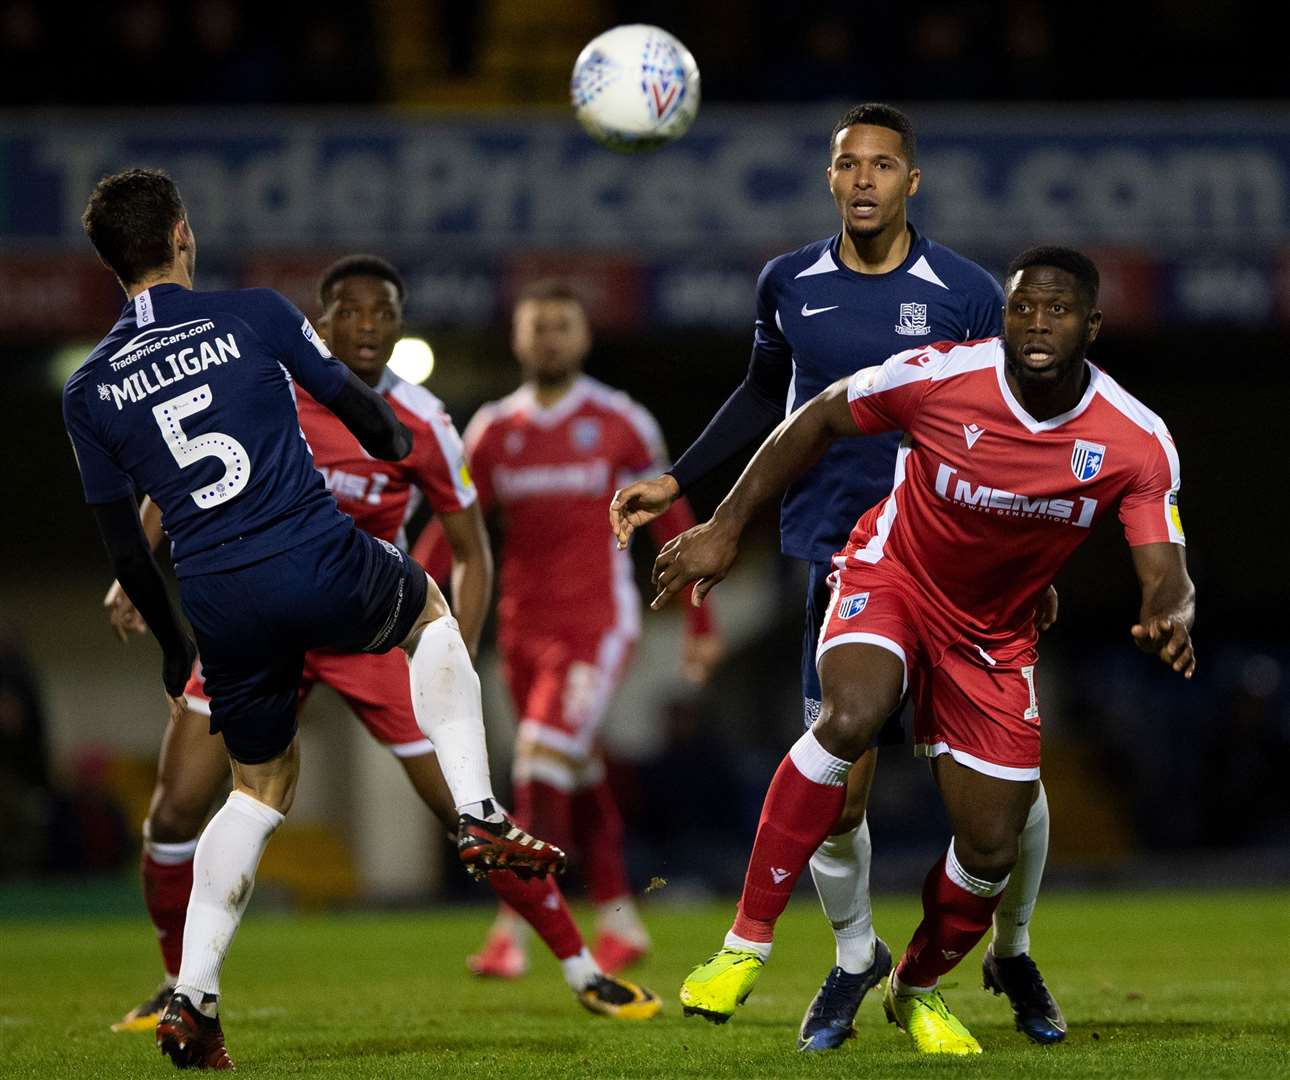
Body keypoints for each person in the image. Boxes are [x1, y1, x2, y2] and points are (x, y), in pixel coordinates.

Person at [63, 169, 565, 1071]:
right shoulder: (253, 312)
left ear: (108, 262)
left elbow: (127, 553)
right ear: (183, 234)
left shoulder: (88, 388)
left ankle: (196, 994)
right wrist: (390, 440)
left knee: (256, 790)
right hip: (312, 554)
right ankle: (481, 811)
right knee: (429, 609)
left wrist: (178, 650)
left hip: (218, 599)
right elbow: (363, 411)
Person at [650, 247, 1195, 1055]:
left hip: (994, 634)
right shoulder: (943, 374)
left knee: (988, 844)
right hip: (893, 573)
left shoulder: (1135, 438)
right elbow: (822, 411)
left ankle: (915, 986)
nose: (1036, 322)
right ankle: (746, 943)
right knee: (850, 717)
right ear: (1004, 315)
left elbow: (1166, 567)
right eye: (1022, 308)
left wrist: (1170, 611)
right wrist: (725, 526)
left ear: (1092, 325)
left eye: (1057, 309)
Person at [102, 255, 659, 1036]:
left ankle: (582, 967)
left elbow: (472, 549)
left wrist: (450, 655)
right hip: (264, 619)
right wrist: (136, 570)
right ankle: (176, 982)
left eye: (384, 313)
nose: (367, 327)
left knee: (469, 814)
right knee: (172, 811)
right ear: (319, 325)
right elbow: (176, 472)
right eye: (350, 313)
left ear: (400, 326)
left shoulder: (427, 421)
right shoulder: (275, 387)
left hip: (367, 630)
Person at [610, 102, 1063, 1049]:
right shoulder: (788, 282)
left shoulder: (969, 291)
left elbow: (1018, 424)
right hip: (836, 555)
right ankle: (857, 957)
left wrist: (1028, 548)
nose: (865, 179)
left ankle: (1010, 948)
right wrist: (679, 481)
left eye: (883, 165)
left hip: (961, 564)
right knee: (839, 782)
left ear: (912, 182)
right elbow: (761, 399)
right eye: (848, 164)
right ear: (829, 179)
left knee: (1003, 789)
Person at [430, 280, 722, 978]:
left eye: (563, 325)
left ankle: (515, 929)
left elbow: (670, 521)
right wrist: (412, 597)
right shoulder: (494, 430)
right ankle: (622, 923)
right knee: (577, 771)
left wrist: (699, 619)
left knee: (536, 760)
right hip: (520, 630)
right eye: (538, 326)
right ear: (518, 338)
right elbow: (457, 531)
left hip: (598, 622)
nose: (550, 337)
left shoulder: (622, 421)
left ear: (584, 337)